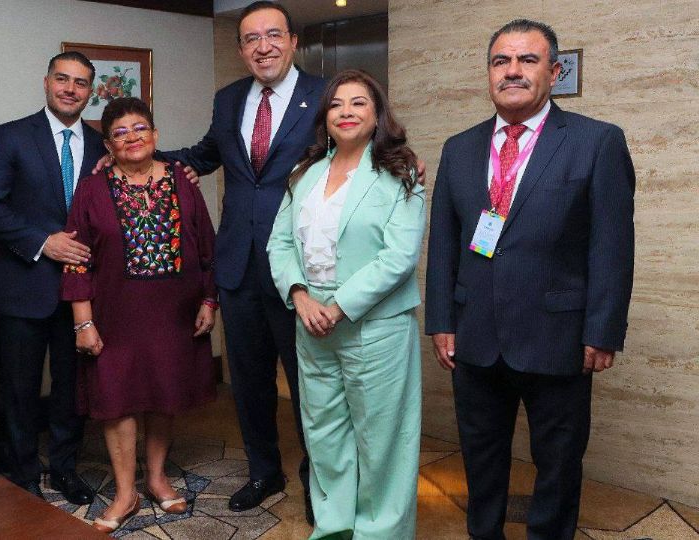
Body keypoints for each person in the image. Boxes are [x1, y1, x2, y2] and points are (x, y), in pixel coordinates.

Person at [425, 19, 635, 540]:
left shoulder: (596, 142)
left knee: (559, 463)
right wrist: (441, 321)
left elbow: (611, 245)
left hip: (558, 337)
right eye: (500, 61)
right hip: (474, 336)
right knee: (480, 456)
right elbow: (446, 243)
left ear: (554, 71)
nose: (512, 71)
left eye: (527, 60)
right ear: (488, 74)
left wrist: (602, 330)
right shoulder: (460, 148)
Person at [158, 1, 321, 519]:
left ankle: (321, 479)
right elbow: (207, 154)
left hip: (302, 266)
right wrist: (140, 156)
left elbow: (363, 143)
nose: (263, 46)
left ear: (294, 41)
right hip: (239, 264)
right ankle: (263, 472)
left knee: (309, 383)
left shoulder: (323, 96)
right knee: (249, 382)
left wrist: (401, 158)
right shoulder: (228, 99)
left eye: (274, 35)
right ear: (241, 49)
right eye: (251, 38)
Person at [268, 69, 425, 539]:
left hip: (374, 328)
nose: (347, 112)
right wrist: (299, 295)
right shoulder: (305, 174)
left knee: (382, 443)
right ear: (325, 117)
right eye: (337, 104)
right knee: (326, 437)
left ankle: (380, 533)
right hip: (310, 324)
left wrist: (337, 307)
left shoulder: (399, 173)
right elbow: (279, 244)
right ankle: (335, 527)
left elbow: (399, 256)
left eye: (359, 103)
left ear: (378, 115)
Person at [62, 97, 217, 534]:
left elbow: (207, 246)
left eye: (140, 129)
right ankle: (126, 492)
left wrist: (210, 300)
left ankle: (156, 477)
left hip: (174, 315)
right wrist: (83, 320)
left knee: (164, 393)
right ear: (107, 146)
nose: (132, 138)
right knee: (118, 399)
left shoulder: (184, 182)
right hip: (114, 315)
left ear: (156, 136)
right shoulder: (91, 189)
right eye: (120, 133)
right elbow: (76, 260)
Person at [0, 51, 105, 502]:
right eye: (63, 79)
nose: (71, 89)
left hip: (80, 297)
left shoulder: (101, 144)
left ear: (91, 91)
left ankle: (66, 469)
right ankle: (24, 473)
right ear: (47, 83)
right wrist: (43, 242)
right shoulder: (11, 136)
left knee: (73, 390)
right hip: (23, 287)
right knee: (20, 390)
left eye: (81, 82)